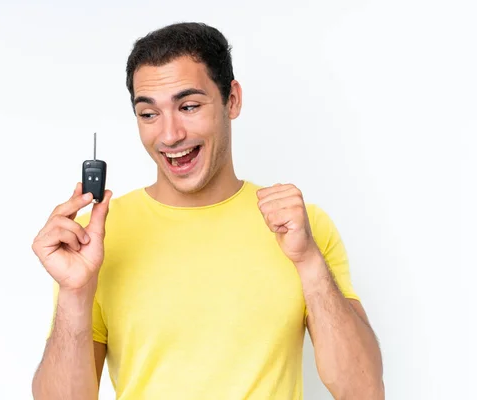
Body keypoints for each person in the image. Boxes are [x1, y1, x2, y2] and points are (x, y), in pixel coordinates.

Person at [31, 22, 384, 400]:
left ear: (231, 100)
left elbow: (363, 390)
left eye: (188, 106)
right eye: (149, 114)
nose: (169, 135)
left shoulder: (301, 228)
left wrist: (309, 262)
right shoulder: (95, 238)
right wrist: (74, 293)